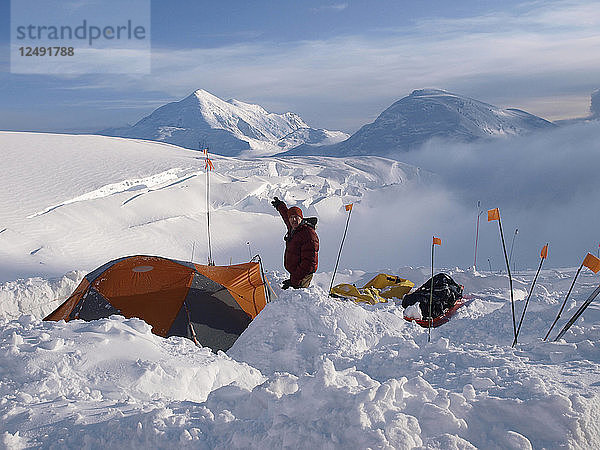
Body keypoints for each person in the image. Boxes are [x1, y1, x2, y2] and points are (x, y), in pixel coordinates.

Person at [271, 197, 319, 289]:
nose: (294, 220)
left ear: (301, 218)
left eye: (296, 217)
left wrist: (294, 280)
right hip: (297, 273)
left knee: (299, 298)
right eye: (291, 218)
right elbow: (286, 215)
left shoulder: (308, 235)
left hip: (303, 275)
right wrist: (280, 206)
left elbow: (308, 263)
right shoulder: (294, 228)